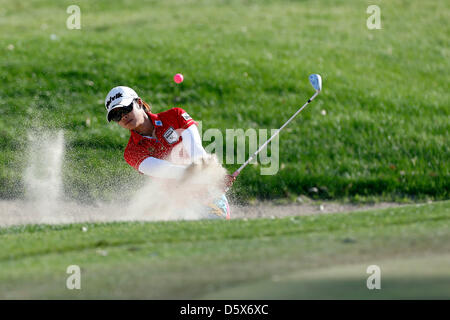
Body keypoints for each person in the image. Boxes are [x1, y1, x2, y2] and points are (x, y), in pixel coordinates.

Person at [104, 86, 235, 219]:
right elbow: (164, 170)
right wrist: (206, 175)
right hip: (176, 205)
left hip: (207, 194)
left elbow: (196, 151)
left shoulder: (175, 116)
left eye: (126, 109)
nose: (123, 116)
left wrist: (214, 176)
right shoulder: (131, 152)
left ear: (138, 103)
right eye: (116, 116)